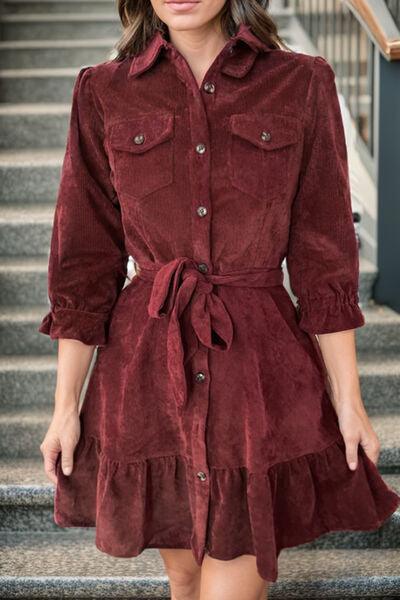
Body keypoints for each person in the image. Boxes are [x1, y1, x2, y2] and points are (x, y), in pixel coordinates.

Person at [38, 1, 400, 599]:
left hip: (258, 382)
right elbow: (83, 265)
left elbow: (324, 261)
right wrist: (64, 407)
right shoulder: (103, 91)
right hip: (148, 377)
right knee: (184, 581)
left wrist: (349, 400)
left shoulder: (301, 82)